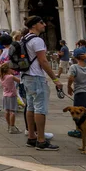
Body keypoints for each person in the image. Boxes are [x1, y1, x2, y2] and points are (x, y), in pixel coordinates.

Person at [21, 15, 62, 151]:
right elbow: (43, 61)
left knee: (30, 106)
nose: (44, 24)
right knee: (40, 109)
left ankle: (31, 137)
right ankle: (41, 140)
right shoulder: (37, 40)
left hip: (26, 76)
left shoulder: (24, 38)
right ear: (34, 25)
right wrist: (55, 79)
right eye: (41, 22)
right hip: (37, 77)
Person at [0, 62, 21, 134]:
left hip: (5, 95)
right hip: (12, 95)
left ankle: (9, 126)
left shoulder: (1, 77)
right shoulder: (11, 77)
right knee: (12, 111)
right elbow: (20, 81)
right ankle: (12, 127)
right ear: (8, 69)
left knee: (7, 111)